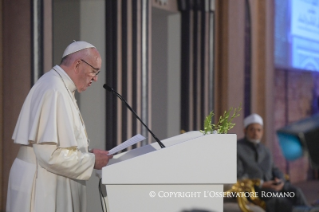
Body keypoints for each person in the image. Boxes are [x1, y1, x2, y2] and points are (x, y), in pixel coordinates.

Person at [6, 41, 113, 212]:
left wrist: (87, 153)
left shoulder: (59, 86)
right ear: (78, 64)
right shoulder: (54, 89)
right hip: (43, 186)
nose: (95, 78)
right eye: (94, 71)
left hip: (48, 181)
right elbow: (50, 155)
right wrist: (91, 161)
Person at [237, 113, 309, 212]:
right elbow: (239, 174)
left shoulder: (265, 150)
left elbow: (274, 169)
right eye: (252, 129)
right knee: (278, 198)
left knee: (296, 192)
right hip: (255, 189)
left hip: (274, 185)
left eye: (259, 130)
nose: (255, 133)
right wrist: (263, 184)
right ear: (245, 131)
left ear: (262, 132)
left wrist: (280, 181)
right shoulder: (237, 148)